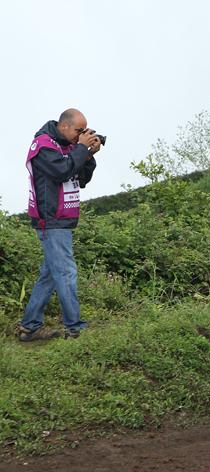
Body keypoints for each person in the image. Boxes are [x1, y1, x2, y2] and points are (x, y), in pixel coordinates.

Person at [19, 109, 101, 341]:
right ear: (63, 126)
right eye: (78, 131)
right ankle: (75, 328)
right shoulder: (43, 146)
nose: (80, 136)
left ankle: (30, 327)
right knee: (65, 272)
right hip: (51, 220)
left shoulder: (67, 146)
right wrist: (81, 149)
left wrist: (88, 155)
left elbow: (80, 179)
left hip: (62, 220)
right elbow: (61, 171)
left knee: (50, 274)